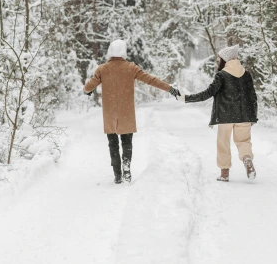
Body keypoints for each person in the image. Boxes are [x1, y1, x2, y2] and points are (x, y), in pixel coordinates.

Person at [84, 39, 180, 184]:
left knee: (113, 143)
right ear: (124, 51)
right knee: (127, 142)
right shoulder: (131, 68)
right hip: (126, 111)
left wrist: (88, 90)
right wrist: (170, 89)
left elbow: (88, 87)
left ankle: (117, 174)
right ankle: (126, 168)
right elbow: (151, 80)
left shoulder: (102, 69)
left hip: (110, 113)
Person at [179, 45, 258, 182]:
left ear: (224, 60)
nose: (218, 61)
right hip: (245, 115)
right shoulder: (246, 74)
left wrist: (187, 98)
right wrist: (253, 116)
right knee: (244, 141)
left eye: (219, 59)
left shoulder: (222, 75)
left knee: (223, 143)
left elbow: (207, 93)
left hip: (225, 116)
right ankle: (247, 159)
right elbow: (253, 97)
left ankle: (224, 174)